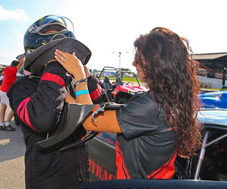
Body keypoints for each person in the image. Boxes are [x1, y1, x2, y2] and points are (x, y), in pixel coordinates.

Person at [55, 27, 202, 179]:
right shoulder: (168, 99)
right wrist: (69, 98)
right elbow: (107, 113)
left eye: (138, 58)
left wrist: (79, 76)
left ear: (154, 63)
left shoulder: (152, 106)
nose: (133, 63)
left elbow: (89, 120)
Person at [7, 15, 104, 189]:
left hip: (80, 179)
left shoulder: (73, 83)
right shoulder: (21, 88)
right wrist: (54, 66)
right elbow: (42, 120)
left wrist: (86, 79)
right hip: (47, 186)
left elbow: (102, 116)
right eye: (56, 48)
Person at [0, 58, 24, 131]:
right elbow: (20, 64)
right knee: (14, 108)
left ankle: (2, 124)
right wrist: (23, 57)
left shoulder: (6, 69)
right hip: (7, 92)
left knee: (3, 108)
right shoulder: (12, 71)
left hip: (2, 91)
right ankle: (7, 124)